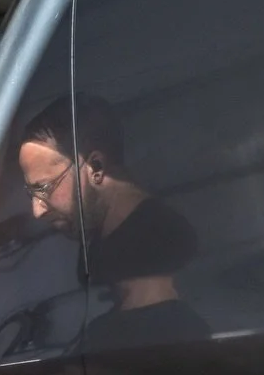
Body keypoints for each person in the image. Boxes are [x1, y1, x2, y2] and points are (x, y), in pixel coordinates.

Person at [17, 94, 211, 349]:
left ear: (95, 166)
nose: (37, 210)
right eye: (32, 194)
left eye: (44, 188)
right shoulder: (115, 242)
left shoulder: (155, 243)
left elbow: (142, 350)